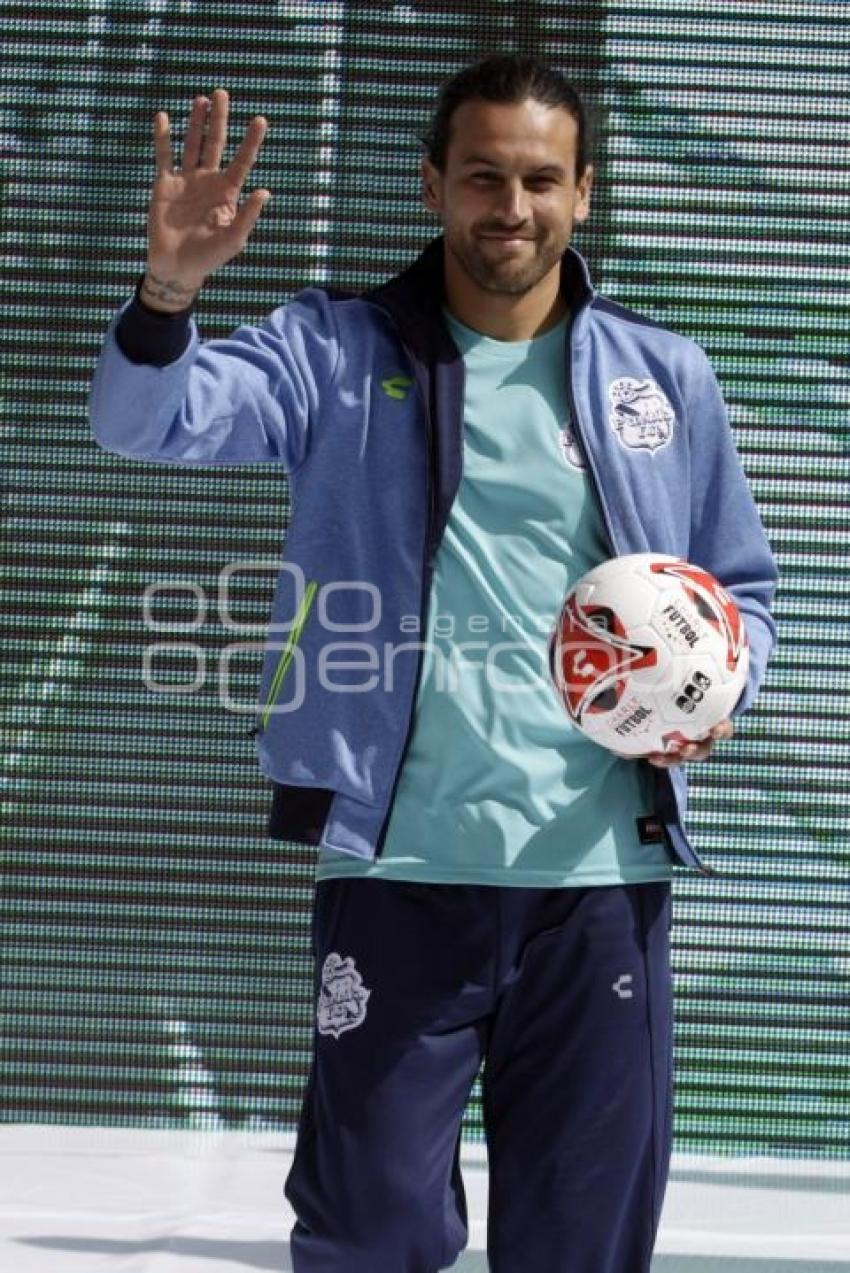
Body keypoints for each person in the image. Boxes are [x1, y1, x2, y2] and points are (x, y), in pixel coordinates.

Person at [89, 53, 778, 1273]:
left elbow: (740, 595)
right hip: (402, 872)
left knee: (579, 1245)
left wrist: (718, 690)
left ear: (582, 195)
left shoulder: (662, 377)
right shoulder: (334, 349)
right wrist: (165, 293)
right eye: (481, 177)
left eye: (538, 180)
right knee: (370, 1232)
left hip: (597, 889)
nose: (508, 207)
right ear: (430, 187)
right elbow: (149, 419)